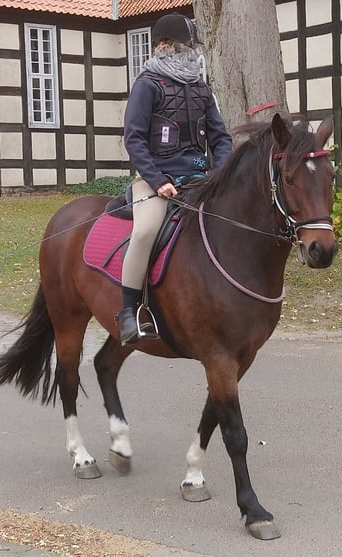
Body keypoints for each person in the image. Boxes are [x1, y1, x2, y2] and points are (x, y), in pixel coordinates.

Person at [118, 12, 234, 345]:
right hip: (157, 182)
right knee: (144, 233)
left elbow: (221, 138)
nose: (190, 52)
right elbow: (134, 139)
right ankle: (129, 313)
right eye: (184, 45)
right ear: (164, 46)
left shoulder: (201, 88)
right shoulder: (147, 85)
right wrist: (157, 181)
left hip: (199, 180)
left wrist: (220, 174)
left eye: (191, 46)